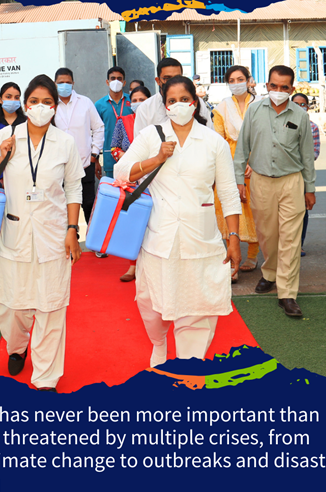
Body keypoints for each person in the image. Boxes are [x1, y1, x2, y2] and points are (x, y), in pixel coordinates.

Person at [114, 75, 242, 367]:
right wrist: (156, 159)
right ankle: (159, 343)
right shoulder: (151, 135)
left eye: (184, 99)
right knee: (151, 305)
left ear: (194, 103)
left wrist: (234, 238)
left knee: (197, 309)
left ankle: (188, 369)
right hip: (159, 238)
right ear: (165, 106)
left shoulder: (214, 142)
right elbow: (121, 172)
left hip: (201, 239)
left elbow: (227, 193)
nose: (179, 105)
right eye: (172, 101)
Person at [0, 74, 84, 392]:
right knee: (10, 305)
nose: (40, 107)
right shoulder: (7, 135)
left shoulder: (65, 142)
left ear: (55, 107)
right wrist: (2, 156)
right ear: (25, 105)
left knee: (51, 306)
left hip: (54, 234)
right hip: (14, 232)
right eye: (34, 101)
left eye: (47, 102)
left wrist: (72, 229)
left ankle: (46, 377)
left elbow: (74, 187)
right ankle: (17, 346)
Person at [234, 65, 316, 318]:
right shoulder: (254, 110)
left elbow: (307, 155)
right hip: (260, 182)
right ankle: (269, 274)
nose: (278, 91)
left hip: (292, 182)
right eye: (274, 86)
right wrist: (238, 180)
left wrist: (310, 188)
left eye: (284, 87)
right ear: (266, 85)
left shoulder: (300, 116)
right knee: (267, 235)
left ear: (292, 89)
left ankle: (287, 293)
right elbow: (242, 147)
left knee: (290, 239)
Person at [213, 65, 261, 283]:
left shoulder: (260, 104)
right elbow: (219, 139)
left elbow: (264, 136)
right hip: (228, 162)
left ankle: (252, 256)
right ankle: (231, 258)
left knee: (254, 210)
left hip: (257, 162)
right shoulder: (221, 108)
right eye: (231, 80)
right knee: (229, 207)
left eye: (240, 79)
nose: (236, 83)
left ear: (248, 80)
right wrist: (234, 165)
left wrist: (253, 161)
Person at [0, 83, 27, 271]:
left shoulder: (26, 122)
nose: (12, 101)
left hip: (22, 178)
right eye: (8, 97)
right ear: (0, 99)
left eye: (17, 97)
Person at [110, 84, 152, 282]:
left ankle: (151, 266)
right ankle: (133, 265)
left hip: (154, 176)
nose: (138, 103)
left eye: (142, 100)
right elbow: (114, 147)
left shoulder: (156, 123)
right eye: (134, 100)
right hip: (131, 178)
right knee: (133, 222)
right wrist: (127, 159)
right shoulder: (123, 121)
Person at [54, 67, 105, 225]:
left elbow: (98, 127)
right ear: (55, 84)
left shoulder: (85, 102)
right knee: (62, 207)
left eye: (68, 82)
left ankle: (92, 238)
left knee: (88, 204)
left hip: (84, 164)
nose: (64, 85)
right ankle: (70, 237)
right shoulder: (51, 104)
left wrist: (94, 154)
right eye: (61, 82)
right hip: (59, 165)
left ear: (73, 83)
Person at [95, 66, 133, 258]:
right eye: (112, 78)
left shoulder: (132, 102)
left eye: (119, 78)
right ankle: (103, 242)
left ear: (124, 82)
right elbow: (95, 132)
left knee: (131, 200)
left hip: (133, 159)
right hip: (110, 159)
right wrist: (96, 159)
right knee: (109, 200)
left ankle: (126, 240)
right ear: (107, 81)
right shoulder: (99, 105)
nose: (116, 81)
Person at [133, 58, 213, 139]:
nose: (173, 82)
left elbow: (210, 134)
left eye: (177, 77)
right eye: (167, 78)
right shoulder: (145, 108)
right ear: (158, 81)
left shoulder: (196, 102)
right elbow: (140, 142)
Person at [291, 93, 321, 256]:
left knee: (302, 211)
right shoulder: (283, 123)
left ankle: (299, 244)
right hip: (283, 175)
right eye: (295, 104)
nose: (299, 107)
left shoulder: (312, 127)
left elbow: (314, 153)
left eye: (302, 104)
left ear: (307, 107)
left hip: (302, 175)